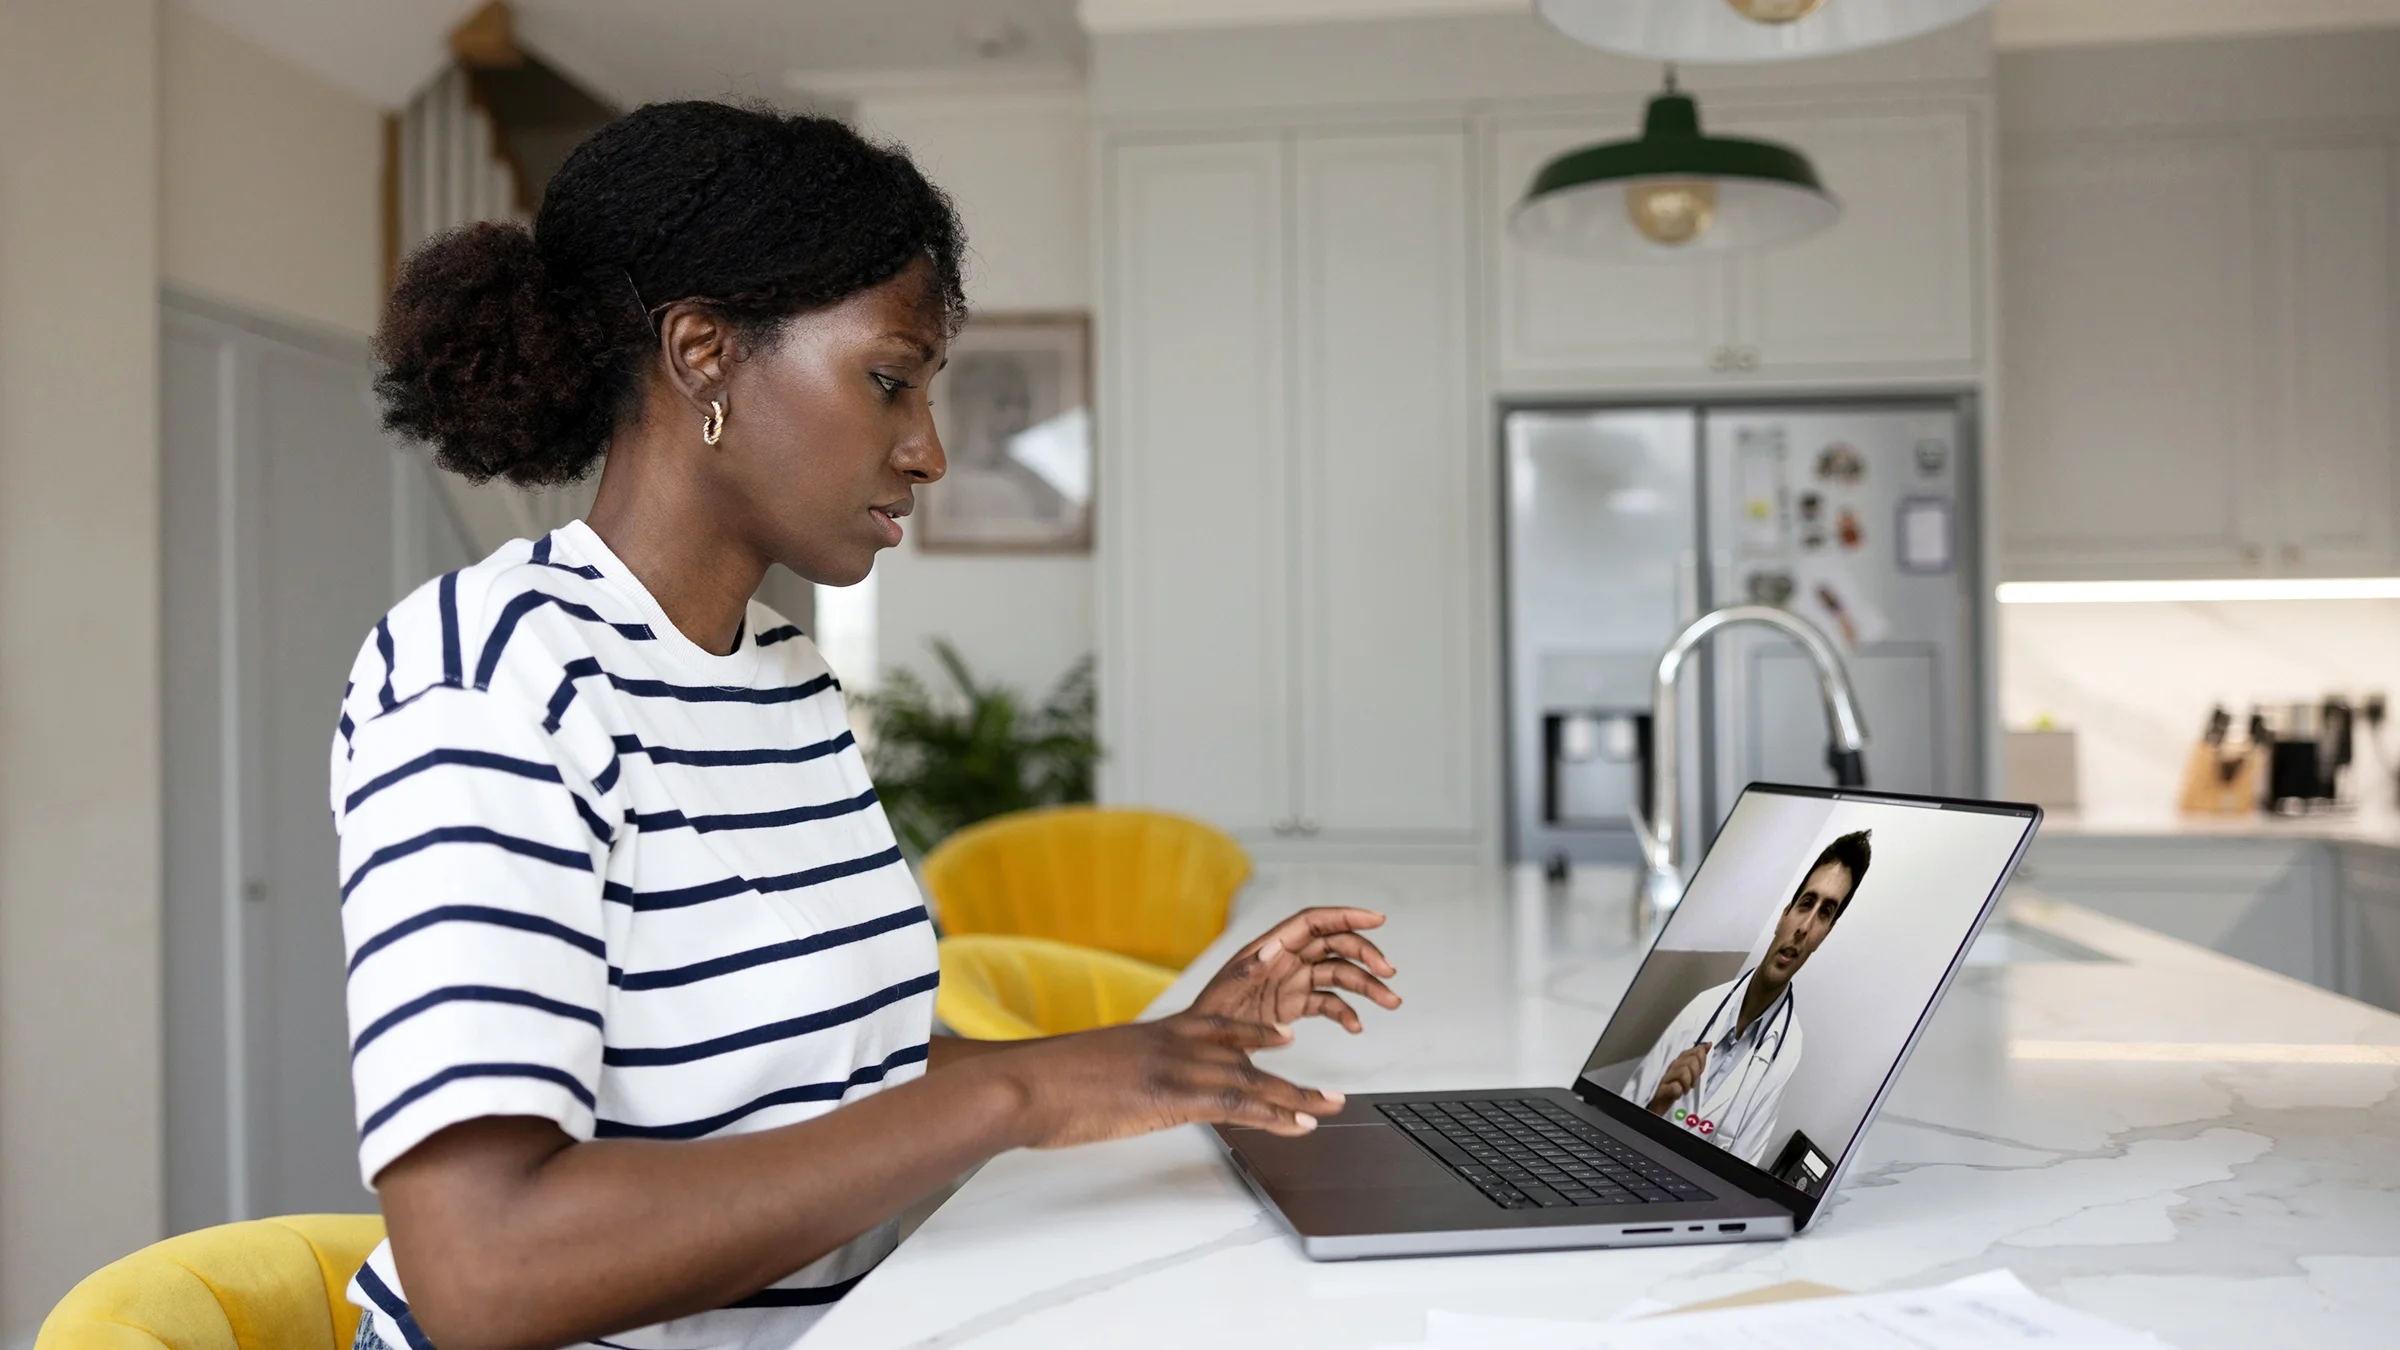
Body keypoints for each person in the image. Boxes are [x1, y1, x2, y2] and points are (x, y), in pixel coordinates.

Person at [337, 102, 1400, 1350]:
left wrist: (1157, 1053)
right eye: (891, 381)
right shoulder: (489, 675)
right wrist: (1021, 1091)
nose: (929, 451)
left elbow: (848, 1079)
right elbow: (485, 1273)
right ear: (702, 354)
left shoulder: (783, 678)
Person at [1622, 830, 1871, 1166]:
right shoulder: (1702, 1008)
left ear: (1824, 935)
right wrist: (1657, 1105)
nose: (1805, 927)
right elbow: (1616, 1123)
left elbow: (1741, 1171)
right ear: (1784, 915)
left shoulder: (1787, 1050)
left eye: (1825, 912)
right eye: (1806, 904)